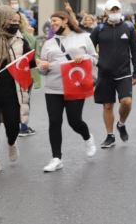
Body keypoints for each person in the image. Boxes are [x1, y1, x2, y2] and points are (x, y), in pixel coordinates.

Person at [37, 10, 98, 172]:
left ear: (65, 21)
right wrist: (42, 67)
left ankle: (87, 137)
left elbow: (94, 58)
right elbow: (42, 67)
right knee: (54, 122)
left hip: (75, 86)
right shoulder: (49, 43)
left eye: (56, 20)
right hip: (53, 88)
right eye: (51, 22)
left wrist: (83, 58)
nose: (53, 24)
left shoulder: (83, 37)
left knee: (74, 121)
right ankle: (56, 158)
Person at [90, 0, 136, 149]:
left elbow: (135, 51)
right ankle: (110, 136)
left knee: (126, 102)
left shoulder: (128, 27)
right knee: (107, 106)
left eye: (116, 10)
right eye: (111, 10)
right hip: (104, 73)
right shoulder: (99, 29)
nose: (114, 13)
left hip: (124, 73)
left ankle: (121, 123)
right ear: (105, 12)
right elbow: (88, 48)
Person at [0, 6, 35, 175]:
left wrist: (39, 62)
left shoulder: (20, 40)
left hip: (13, 90)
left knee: (13, 127)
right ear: (1, 19)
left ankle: (11, 143)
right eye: (11, 21)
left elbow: (29, 60)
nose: (15, 24)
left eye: (17, 21)